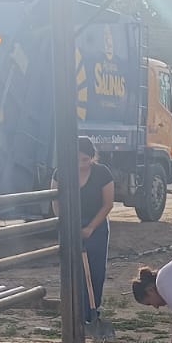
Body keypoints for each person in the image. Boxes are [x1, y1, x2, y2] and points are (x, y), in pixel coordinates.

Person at [52, 136, 115, 325]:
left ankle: (92, 312)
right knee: (72, 270)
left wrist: (90, 228)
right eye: (77, 160)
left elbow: (108, 204)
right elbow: (56, 201)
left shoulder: (102, 173)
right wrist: (66, 224)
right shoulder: (61, 173)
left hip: (96, 225)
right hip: (70, 225)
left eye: (85, 160)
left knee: (95, 272)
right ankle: (73, 313)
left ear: (92, 157)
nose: (81, 164)